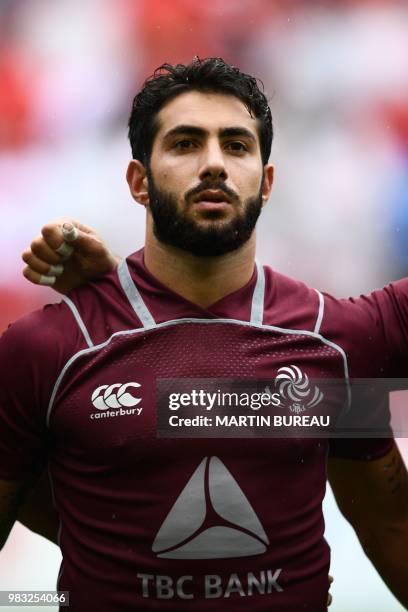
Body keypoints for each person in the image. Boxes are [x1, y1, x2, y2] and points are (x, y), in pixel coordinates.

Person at [1, 58, 407, 611]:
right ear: (139, 182)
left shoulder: (332, 341)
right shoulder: (46, 349)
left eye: (237, 146)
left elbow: (392, 531)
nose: (214, 163)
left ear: (265, 182)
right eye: (186, 144)